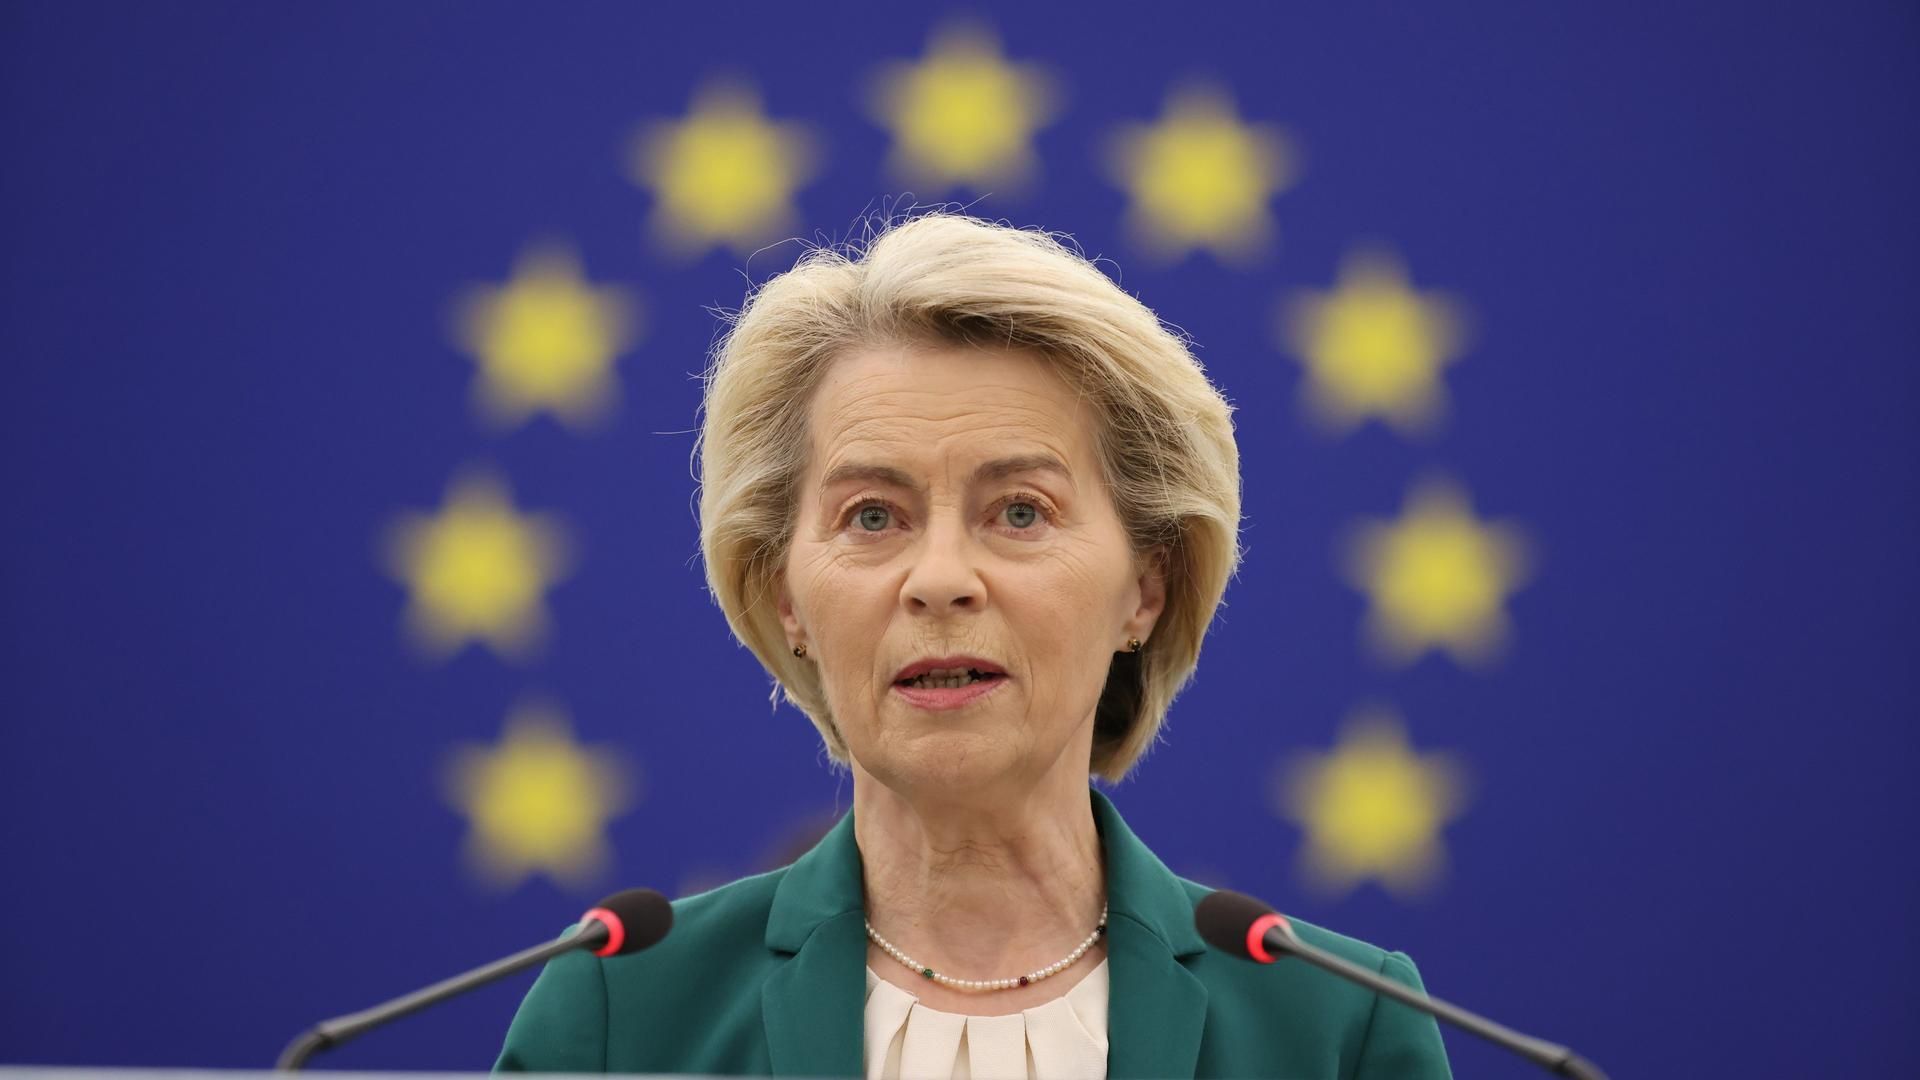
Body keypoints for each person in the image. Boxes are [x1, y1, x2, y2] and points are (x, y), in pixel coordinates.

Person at [494, 212, 1453, 1078]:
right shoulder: (624, 1014)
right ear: (785, 595)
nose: (939, 576)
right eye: (872, 516)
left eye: (1020, 511)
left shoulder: (1337, 1027)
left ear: (1146, 590)